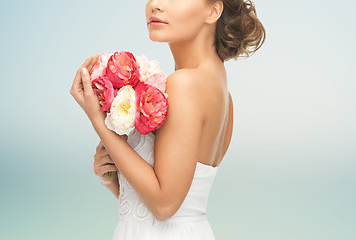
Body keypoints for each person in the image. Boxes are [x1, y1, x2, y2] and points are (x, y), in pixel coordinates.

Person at [70, 0, 265, 239]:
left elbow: (164, 205)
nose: (156, 5)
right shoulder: (223, 94)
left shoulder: (184, 84)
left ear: (213, 11)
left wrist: (98, 121)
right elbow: (180, 201)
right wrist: (114, 179)